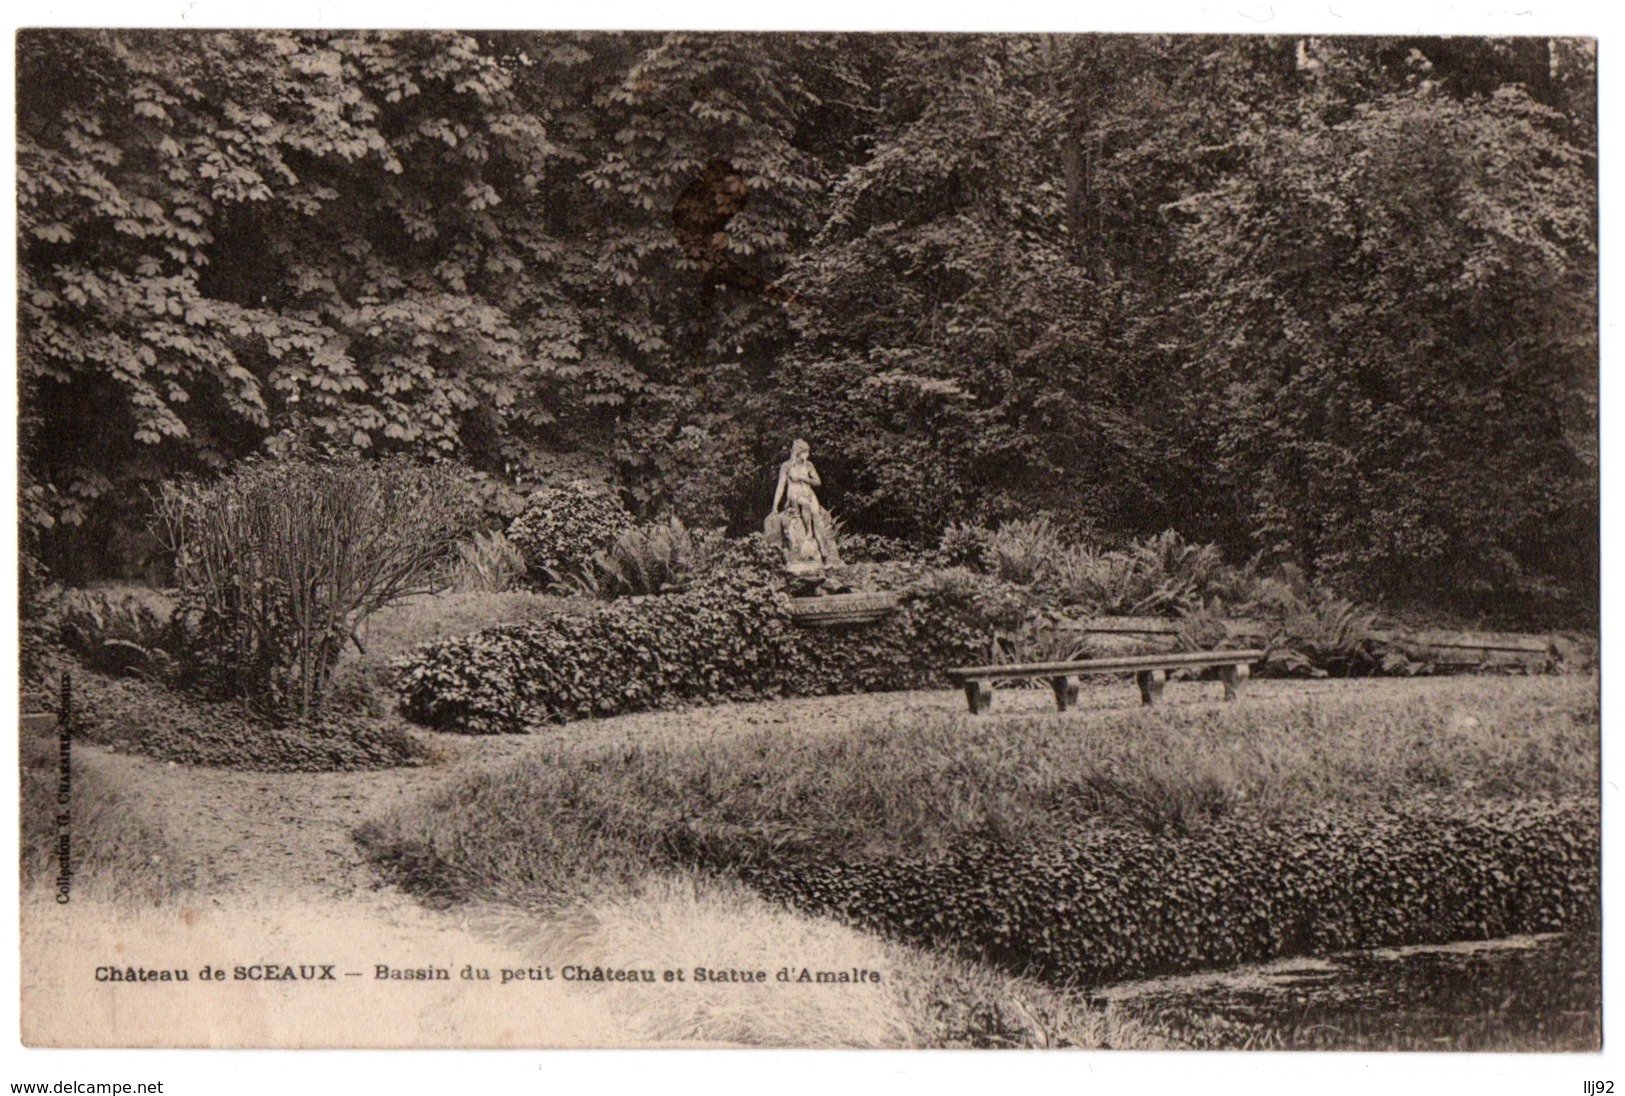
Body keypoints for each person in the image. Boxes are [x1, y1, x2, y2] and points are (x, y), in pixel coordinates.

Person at [768, 439, 842, 570]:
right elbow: (780, 487)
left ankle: (825, 553)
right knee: (805, 504)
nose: (807, 455)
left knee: (816, 513)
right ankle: (808, 532)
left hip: (808, 491)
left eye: (807, 452)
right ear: (797, 452)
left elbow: (818, 482)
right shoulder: (786, 466)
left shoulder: (809, 465)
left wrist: (804, 478)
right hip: (794, 493)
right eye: (804, 452)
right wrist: (775, 506)